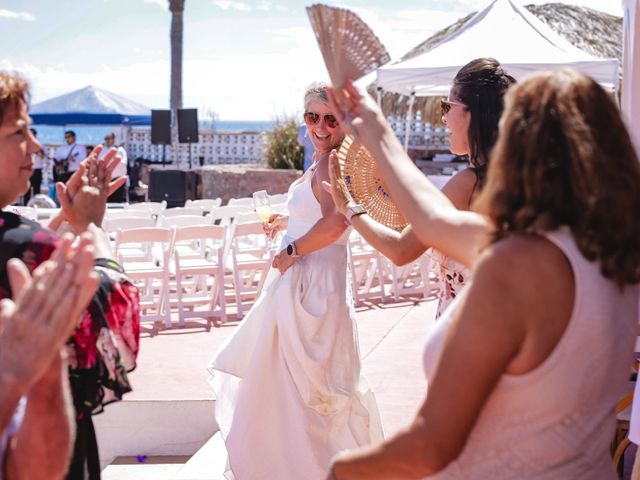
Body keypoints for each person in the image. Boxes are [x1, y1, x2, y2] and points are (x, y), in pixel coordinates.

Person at [322, 70, 640, 479]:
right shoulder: (618, 263)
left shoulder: (515, 267)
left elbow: (432, 446)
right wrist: (373, 124)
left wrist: (341, 470)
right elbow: (433, 220)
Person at [207, 83, 383, 480]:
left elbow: (337, 223)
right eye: (312, 116)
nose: (320, 126)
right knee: (293, 384)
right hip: (319, 282)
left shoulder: (329, 164)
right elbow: (324, 214)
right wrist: (291, 222)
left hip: (311, 285)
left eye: (330, 118)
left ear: (343, 123)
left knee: (297, 386)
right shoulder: (329, 162)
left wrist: (291, 252)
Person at [0, 71, 140, 479]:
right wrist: (91, 225)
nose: (37, 146)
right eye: (18, 133)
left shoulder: (26, 239)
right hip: (38, 443)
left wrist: (63, 221)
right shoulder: (27, 246)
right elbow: (116, 322)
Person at [328, 58, 515, 318]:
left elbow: (401, 250)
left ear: (471, 113)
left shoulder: (468, 185)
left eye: (447, 106)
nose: (443, 116)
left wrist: (348, 209)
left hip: (465, 325)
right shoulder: (511, 179)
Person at [100, 132, 128, 203]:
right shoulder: (102, 150)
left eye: (109, 139)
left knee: (117, 201)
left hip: (117, 178)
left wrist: (113, 160)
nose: (107, 141)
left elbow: (124, 162)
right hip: (106, 179)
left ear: (113, 139)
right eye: (106, 139)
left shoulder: (120, 150)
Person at [22, 127, 45, 203]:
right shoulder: (24, 144)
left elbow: (43, 157)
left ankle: (36, 205)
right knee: (26, 189)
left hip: (37, 169)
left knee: (36, 189)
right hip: (27, 169)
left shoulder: (39, 145)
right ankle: (25, 205)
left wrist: (36, 149)